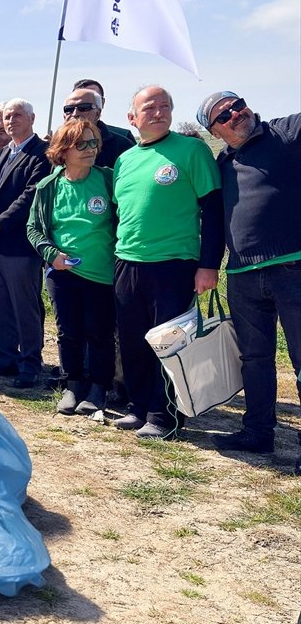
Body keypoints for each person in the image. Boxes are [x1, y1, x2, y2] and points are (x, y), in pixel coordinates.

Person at [111, 85, 223, 439]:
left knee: (169, 343)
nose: (159, 112)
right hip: (128, 261)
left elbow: (213, 210)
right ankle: (139, 406)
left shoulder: (191, 150)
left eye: (165, 106)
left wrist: (209, 264)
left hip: (174, 263)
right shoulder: (125, 160)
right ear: (132, 118)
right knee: (132, 340)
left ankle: (165, 416)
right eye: (150, 107)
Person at [199, 91, 300, 472]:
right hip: (241, 274)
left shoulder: (283, 133)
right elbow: (212, 221)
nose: (235, 114)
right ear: (215, 130)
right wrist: (209, 266)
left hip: (293, 268)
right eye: (223, 115)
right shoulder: (221, 162)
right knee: (254, 359)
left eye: (237, 104)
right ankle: (258, 432)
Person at [27, 119, 116, 415]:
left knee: (99, 332)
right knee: (69, 332)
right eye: (82, 144)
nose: (90, 149)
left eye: (94, 143)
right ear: (63, 150)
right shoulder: (49, 186)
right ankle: (72, 385)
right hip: (62, 273)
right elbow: (33, 229)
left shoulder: (107, 179)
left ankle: (98, 388)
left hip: (101, 272)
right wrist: (51, 254)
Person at [0, 99, 51, 388]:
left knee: (25, 307)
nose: (11, 120)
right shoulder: (4, 153)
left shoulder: (40, 154)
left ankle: (30, 362)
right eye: (7, 116)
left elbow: (31, 195)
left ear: (32, 118)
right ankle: (5, 356)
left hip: (19, 246)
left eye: (17, 115)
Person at [63, 85, 134, 169]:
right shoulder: (58, 147)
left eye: (84, 108)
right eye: (69, 109)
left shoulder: (122, 145)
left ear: (97, 113)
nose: (75, 113)